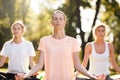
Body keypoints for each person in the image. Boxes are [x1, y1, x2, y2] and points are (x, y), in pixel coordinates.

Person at [15, 10, 98, 80]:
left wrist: (92, 77)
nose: (58, 20)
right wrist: (25, 76)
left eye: (60, 19)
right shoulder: (44, 40)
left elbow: (78, 66)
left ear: (65, 21)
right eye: (55, 19)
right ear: (51, 22)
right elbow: (39, 65)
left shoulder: (73, 41)